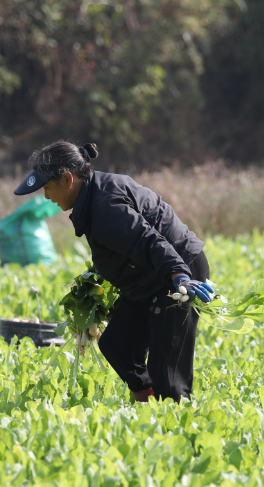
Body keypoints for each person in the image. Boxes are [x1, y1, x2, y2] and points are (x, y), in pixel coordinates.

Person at [14, 141, 212, 402]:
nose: (47, 197)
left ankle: (177, 419)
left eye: (48, 188)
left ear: (67, 179)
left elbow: (150, 242)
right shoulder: (93, 195)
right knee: (118, 344)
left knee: (167, 371)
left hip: (175, 271)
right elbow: (123, 246)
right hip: (148, 276)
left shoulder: (106, 206)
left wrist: (180, 277)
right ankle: (147, 401)